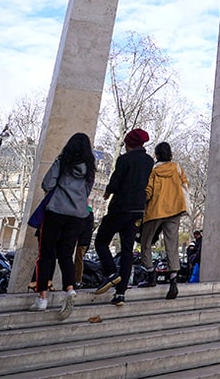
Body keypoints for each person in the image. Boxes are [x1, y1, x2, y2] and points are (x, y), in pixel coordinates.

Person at [33, 131, 95, 319]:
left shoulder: (63, 162)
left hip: (56, 211)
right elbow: (87, 192)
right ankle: (69, 289)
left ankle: (42, 297)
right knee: (66, 255)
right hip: (77, 215)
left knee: (46, 254)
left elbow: (47, 184)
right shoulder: (90, 169)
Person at [94, 128, 154, 306]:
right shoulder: (149, 161)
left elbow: (116, 180)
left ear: (128, 143)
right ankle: (120, 294)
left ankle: (112, 273)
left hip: (121, 207)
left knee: (101, 241)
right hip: (138, 210)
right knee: (127, 250)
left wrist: (108, 191)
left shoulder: (124, 159)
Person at [141, 141, 188, 301]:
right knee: (172, 244)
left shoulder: (154, 170)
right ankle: (173, 279)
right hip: (175, 209)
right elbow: (185, 184)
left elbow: (148, 190)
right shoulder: (177, 168)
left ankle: (150, 273)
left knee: (146, 242)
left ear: (157, 154)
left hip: (156, 210)